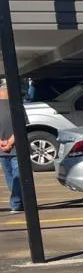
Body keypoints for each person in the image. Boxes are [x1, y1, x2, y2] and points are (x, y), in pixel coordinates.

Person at [0, 80, 24, 214]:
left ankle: (16, 202)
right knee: (10, 176)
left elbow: (22, 125)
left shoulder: (16, 104)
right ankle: (20, 201)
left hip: (16, 147)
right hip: (3, 148)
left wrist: (9, 142)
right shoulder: (16, 104)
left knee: (17, 175)